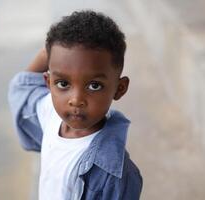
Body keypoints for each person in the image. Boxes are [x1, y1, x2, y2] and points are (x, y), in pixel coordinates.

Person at [8, 10, 142, 200]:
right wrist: (52, 49)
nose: (76, 99)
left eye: (94, 85)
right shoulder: (52, 116)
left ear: (119, 89)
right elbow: (22, 87)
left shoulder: (115, 176)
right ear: (48, 83)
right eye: (63, 83)